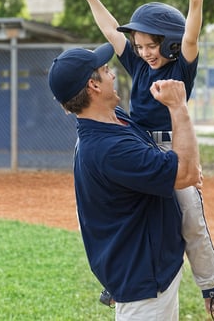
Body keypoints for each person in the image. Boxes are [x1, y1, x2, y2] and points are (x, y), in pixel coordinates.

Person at [75, 0, 214, 314]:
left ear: (170, 44)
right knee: (128, 216)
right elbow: (110, 31)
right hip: (140, 148)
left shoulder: (181, 68)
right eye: (140, 46)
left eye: (151, 45)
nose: (144, 53)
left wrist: (195, 3)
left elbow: (191, 36)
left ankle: (212, 289)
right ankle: (115, 282)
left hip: (172, 151)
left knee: (191, 216)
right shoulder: (138, 64)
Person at [48, 42, 203, 320]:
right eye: (105, 70)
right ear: (93, 86)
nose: (112, 74)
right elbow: (186, 174)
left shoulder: (114, 119)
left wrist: (179, 168)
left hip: (150, 269)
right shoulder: (108, 148)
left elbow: (178, 169)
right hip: (143, 283)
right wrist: (178, 106)